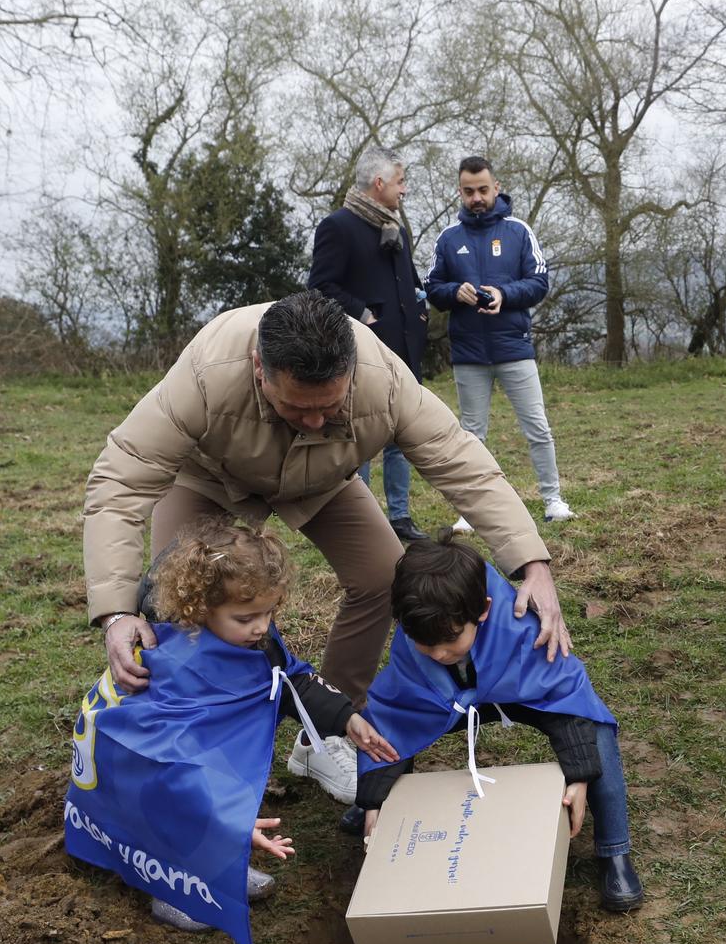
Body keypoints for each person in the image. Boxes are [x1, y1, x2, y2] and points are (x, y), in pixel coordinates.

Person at [83, 292, 575, 803]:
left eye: (330, 407)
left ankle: (326, 734)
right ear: (259, 368)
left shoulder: (383, 379)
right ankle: (201, 764)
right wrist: (116, 612)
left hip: (322, 477)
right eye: (296, 406)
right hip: (209, 477)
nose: (315, 420)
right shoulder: (207, 372)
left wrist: (532, 563)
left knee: (385, 575)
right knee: (179, 610)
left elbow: (461, 461)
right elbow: (119, 480)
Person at [64, 521, 396, 942]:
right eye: (247, 617)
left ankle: (218, 864)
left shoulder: (253, 640)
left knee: (222, 790)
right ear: (199, 608)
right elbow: (169, 767)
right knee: (192, 800)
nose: (262, 627)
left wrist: (346, 717)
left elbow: (290, 678)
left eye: (269, 613)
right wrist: (229, 822)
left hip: (200, 756)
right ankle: (176, 889)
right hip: (139, 771)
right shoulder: (172, 663)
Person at [356, 535, 643, 912]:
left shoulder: (522, 631)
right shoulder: (416, 637)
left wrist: (580, 773)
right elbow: (394, 716)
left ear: (484, 610)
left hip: (523, 692)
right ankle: (385, 817)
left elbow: (566, 698)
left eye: (450, 640)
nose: (439, 654)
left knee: (596, 727)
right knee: (387, 745)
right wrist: (375, 797)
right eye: (426, 645)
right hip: (449, 700)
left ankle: (615, 850)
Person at [425, 156, 574, 526]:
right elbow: (431, 286)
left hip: (514, 347)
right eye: (468, 191)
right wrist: (452, 292)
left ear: (496, 187)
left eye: (483, 190)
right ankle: (469, 512)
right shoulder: (448, 238)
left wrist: (505, 294)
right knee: (471, 436)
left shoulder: (519, 231)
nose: (476, 197)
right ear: (460, 191)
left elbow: (539, 281)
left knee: (537, 427)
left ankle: (553, 499)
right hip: (469, 353)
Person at [310, 146, 431, 544]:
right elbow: (321, 287)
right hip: (361, 352)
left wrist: (420, 311)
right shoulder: (337, 226)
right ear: (379, 183)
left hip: (403, 349)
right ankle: (361, 519)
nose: (405, 189)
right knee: (359, 437)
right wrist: (365, 315)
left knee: (399, 434)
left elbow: (408, 281)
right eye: (400, 181)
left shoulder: (398, 227)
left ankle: (399, 517)